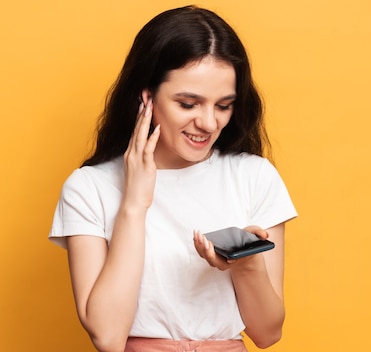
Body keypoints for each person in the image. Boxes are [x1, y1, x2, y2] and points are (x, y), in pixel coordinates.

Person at [49, 5, 297, 352]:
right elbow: (107, 336)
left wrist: (247, 264)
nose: (209, 123)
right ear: (147, 96)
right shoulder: (89, 187)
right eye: (188, 103)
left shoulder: (254, 176)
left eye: (223, 105)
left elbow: (268, 333)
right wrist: (135, 203)